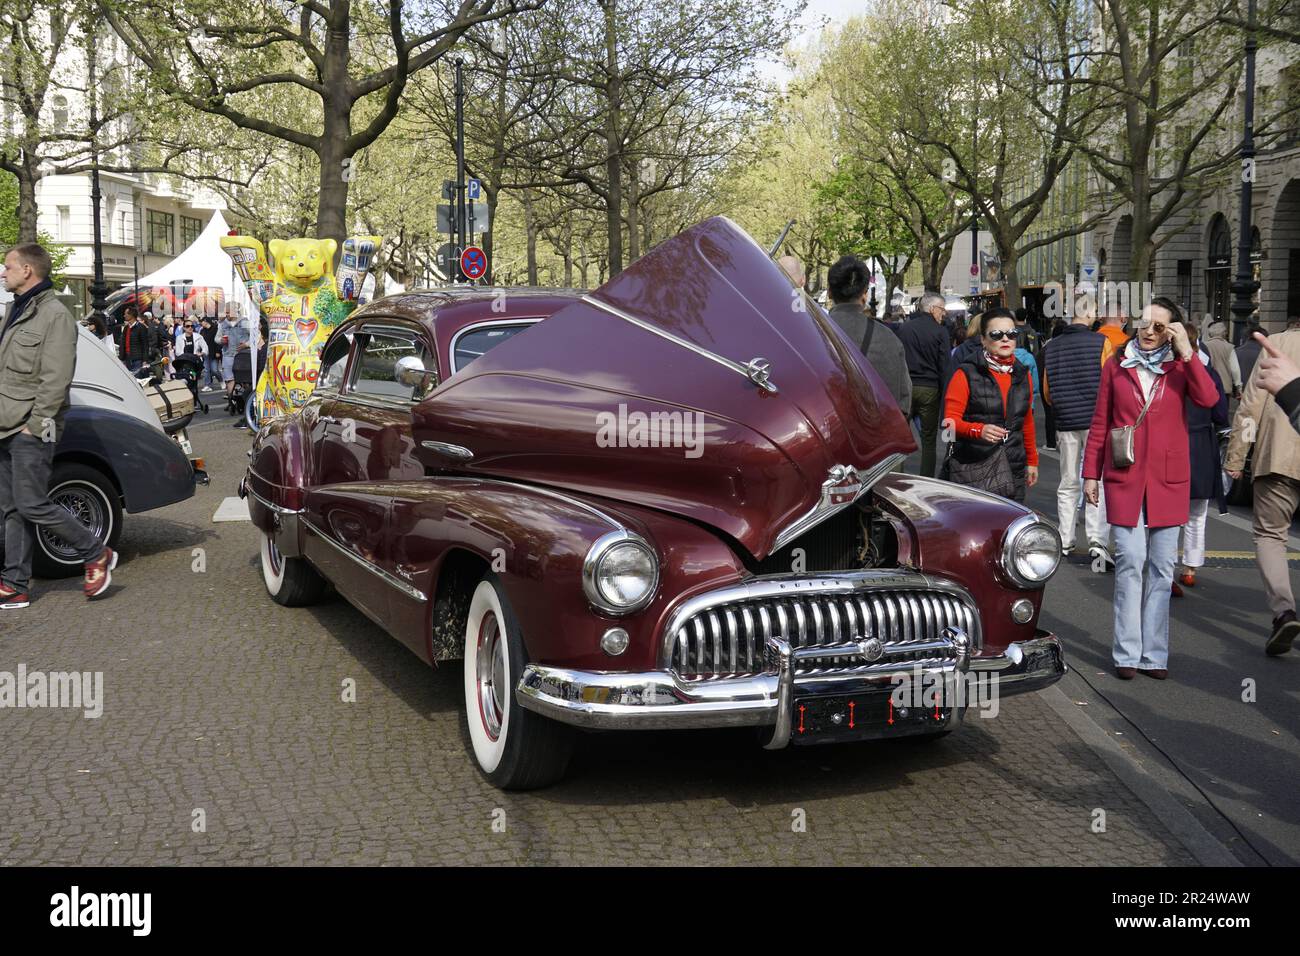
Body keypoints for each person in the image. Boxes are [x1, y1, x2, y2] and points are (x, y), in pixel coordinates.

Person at [1082, 297, 1218, 679]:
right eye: (1145, 322)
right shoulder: (1116, 366)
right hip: (1124, 476)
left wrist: (1189, 352)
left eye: (1160, 326)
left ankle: (1154, 654)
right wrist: (1090, 474)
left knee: (1161, 568)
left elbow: (1209, 400)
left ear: (1171, 331)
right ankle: (1126, 653)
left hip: (1168, 479)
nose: (1149, 331)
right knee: (1129, 561)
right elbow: (1099, 422)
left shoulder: (1181, 367)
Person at [0, 243, 117, 607]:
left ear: (27, 271)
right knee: (11, 508)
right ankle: (15, 584)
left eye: (7, 267)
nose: (3, 272)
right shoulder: (16, 309)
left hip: (31, 427)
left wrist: (34, 426)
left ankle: (95, 551)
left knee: (32, 502)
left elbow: (56, 378)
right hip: (6, 424)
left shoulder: (54, 315)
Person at [1225, 326, 1300, 656]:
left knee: (1271, 535)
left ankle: (1284, 611)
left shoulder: (1277, 344)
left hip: (1278, 456)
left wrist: (1236, 456)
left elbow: (1251, 406)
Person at [1041, 304, 1115, 562]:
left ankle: (1065, 538)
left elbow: (1047, 392)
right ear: (1090, 313)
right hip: (1096, 420)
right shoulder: (1101, 342)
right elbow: (1110, 381)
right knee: (1097, 480)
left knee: (1068, 481)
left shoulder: (1051, 346)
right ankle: (1096, 538)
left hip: (1065, 420)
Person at [941, 307, 1038, 501]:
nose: (1005, 339)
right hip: (974, 467)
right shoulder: (965, 374)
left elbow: (1026, 422)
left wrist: (1032, 461)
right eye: (996, 334)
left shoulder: (1022, 373)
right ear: (983, 340)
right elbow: (948, 426)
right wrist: (979, 431)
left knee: (1011, 526)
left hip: (1013, 466)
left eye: (1011, 334)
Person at [1173, 325, 1229, 597]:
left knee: (1168, 515)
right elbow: (1220, 413)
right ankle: (1191, 567)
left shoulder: (1167, 374)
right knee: (1197, 514)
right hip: (1201, 446)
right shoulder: (1209, 374)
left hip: (1171, 446)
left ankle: (1165, 565)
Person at [824, 255, 911, 412]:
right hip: (877, 429)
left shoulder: (810, 334)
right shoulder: (887, 338)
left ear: (829, 292)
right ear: (865, 294)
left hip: (827, 429)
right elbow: (903, 397)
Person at [895, 291, 951, 477]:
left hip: (906, 386)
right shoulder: (940, 331)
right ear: (933, 308)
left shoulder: (904, 329)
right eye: (942, 309)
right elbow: (945, 366)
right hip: (930, 388)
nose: (944, 314)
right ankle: (926, 478)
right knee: (928, 441)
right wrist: (946, 396)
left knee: (900, 438)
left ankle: (897, 477)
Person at [1202, 321, 1242, 401]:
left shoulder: (1204, 345)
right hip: (1224, 386)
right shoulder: (1229, 347)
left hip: (1208, 385)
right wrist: (1239, 387)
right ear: (1224, 333)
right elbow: (1235, 369)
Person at [219, 303, 251, 401]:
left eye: (228, 312)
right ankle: (230, 402)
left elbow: (255, 336)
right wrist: (220, 340)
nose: (226, 315)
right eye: (225, 313)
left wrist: (246, 344)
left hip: (243, 355)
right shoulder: (223, 324)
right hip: (228, 355)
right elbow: (217, 337)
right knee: (229, 379)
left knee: (245, 379)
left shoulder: (244, 322)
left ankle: (247, 400)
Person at [118, 305, 150, 372]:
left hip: (137, 359)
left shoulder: (141, 327)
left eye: (125, 314)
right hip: (127, 359)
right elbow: (123, 342)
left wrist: (145, 361)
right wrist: (121, 357)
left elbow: (145, 345)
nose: (124, 315)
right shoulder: (126, 328)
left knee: (137, 379)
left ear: (131, 315)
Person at [200, 316, 221, 388]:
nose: (201, 323)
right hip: (205, 353)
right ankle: (207, 384)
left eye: (202, 321)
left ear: (206, 321)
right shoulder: (202, 331)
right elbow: (200, 341)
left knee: (214, 370)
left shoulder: (215, 329)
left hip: (214, 352)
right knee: (206, 370)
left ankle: (221, 380)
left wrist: (218, 351)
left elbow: (218, 341)